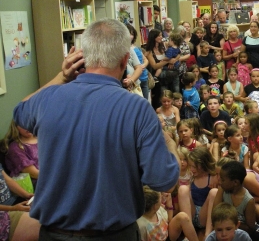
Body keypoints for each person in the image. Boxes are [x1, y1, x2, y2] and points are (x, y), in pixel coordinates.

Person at [13, 18, 178, 239]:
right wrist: (170, 143)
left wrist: (62, 77)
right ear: (125, 60)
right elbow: (164, 180)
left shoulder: (50, 98)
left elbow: (20, 112)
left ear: (82, 57)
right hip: (113, 234)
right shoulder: (137, 109)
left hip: (53, 234)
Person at [213, 161, 259, 241]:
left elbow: (250, 228)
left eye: (222, 180)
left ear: (235, 182)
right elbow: (215, 212)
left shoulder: (249, 200)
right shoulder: (222, 189)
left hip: (241, 230)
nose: (219, 181)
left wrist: (233, 224)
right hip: (224, 229)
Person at [126, 24, 150, 101]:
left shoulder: (134, 48)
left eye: (132, 34)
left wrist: (143, 65)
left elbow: (145, 59)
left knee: (144, 102)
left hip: (142, 78)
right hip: (131, 82)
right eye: (128, 33)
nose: (130, 36)